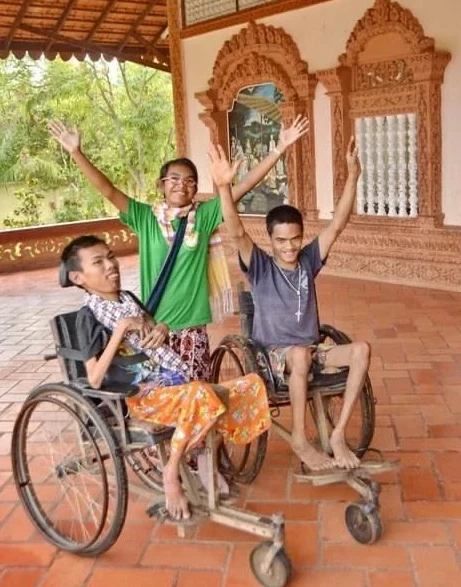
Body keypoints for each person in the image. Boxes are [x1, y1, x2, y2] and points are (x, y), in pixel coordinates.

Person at [48, 117, 309, 381]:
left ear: (196, 188)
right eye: (174, 178)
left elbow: (243, 186)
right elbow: (108, 190)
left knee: (200, 400)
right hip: (152, 332)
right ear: (161, 184)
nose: (181, 185)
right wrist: (76, 152)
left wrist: (280, 148)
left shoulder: (203, 217)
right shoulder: (145, 218)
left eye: (190, 181)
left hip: (191, 330)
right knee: (168, 405)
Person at [61, 234, 271, 521]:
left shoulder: (129, 301)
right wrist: (121, 330)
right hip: (141, 398)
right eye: (98, 262)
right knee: (202, 393)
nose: (111, 265)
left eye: (111, 256)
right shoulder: (90, 317)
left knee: (248, 386)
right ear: (78, 277)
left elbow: (153, 332)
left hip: (173, 384)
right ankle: (172, 473)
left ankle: (207, 464)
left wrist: (160, 328)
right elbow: (95, 378)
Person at [208, 137, 370, 471]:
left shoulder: (309, 260)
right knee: (298, 354)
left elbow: (338, 224)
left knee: (361, 350)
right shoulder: (261, 267)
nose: (289, 246)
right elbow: (237, 231)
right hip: (275, 358)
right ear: (270, 239)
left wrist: (353, 176)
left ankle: (338, 435)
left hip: (311, 352)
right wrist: (224, 188)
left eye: (295, 238)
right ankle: (299, 437)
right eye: (281, 240)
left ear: (301, 235)